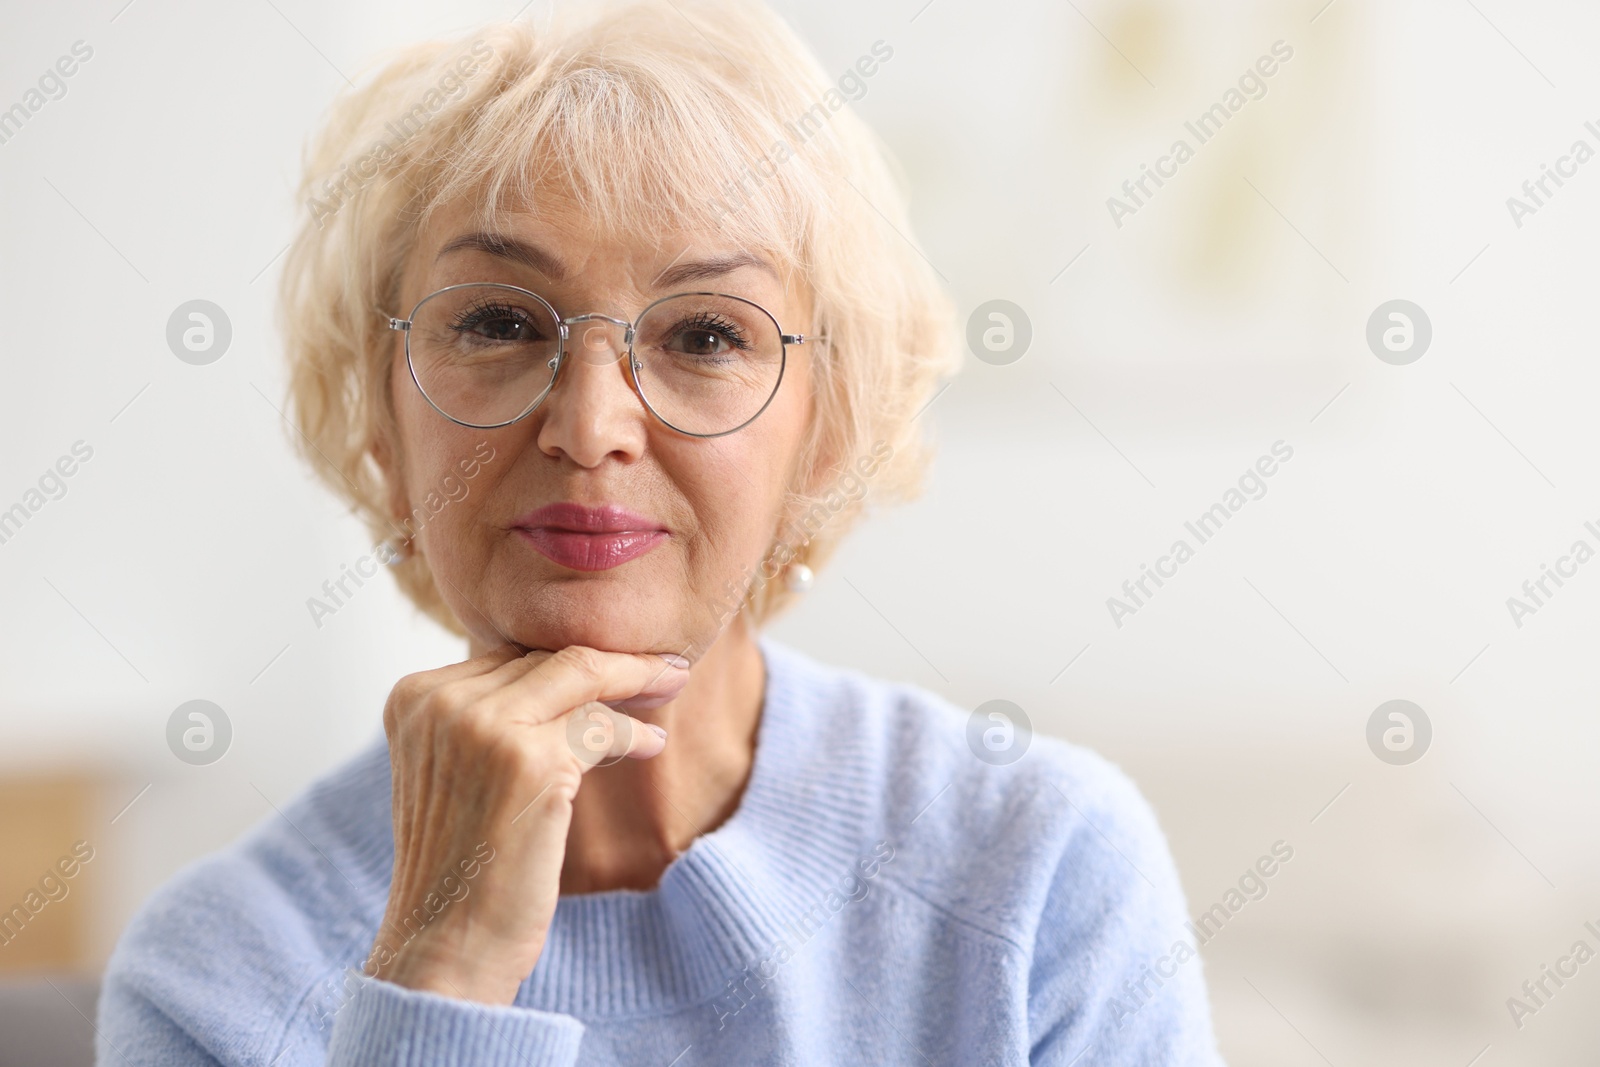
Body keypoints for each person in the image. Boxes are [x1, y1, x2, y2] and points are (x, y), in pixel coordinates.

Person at [97, 2, 1223, 1062]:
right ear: (379, 418)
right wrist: (437, 977)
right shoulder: (215, 971)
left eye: (702, 335)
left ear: (825, 433)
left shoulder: (1043, 867)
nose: (589, 427)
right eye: (494, 320)